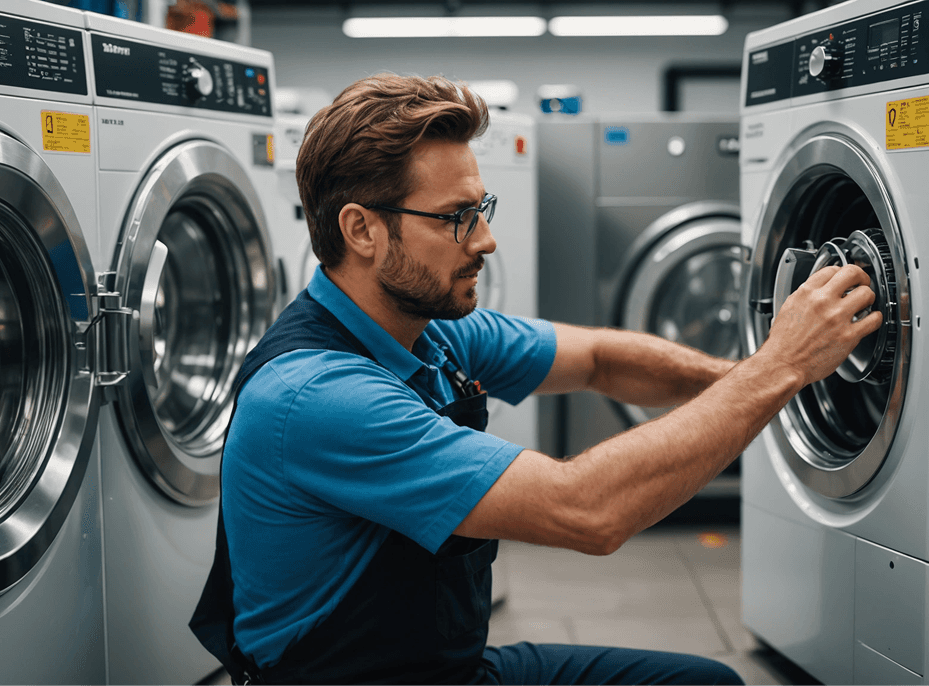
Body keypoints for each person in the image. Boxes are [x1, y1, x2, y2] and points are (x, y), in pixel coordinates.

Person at [191, 73, 882, 685]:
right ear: (362, 230)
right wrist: (781, 365)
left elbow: (602, 360)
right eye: (457, 218)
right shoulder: (319, 397)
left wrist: (748, 374)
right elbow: (585, 510)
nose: (485, 240)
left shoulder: (429, 335)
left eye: (480, 210)